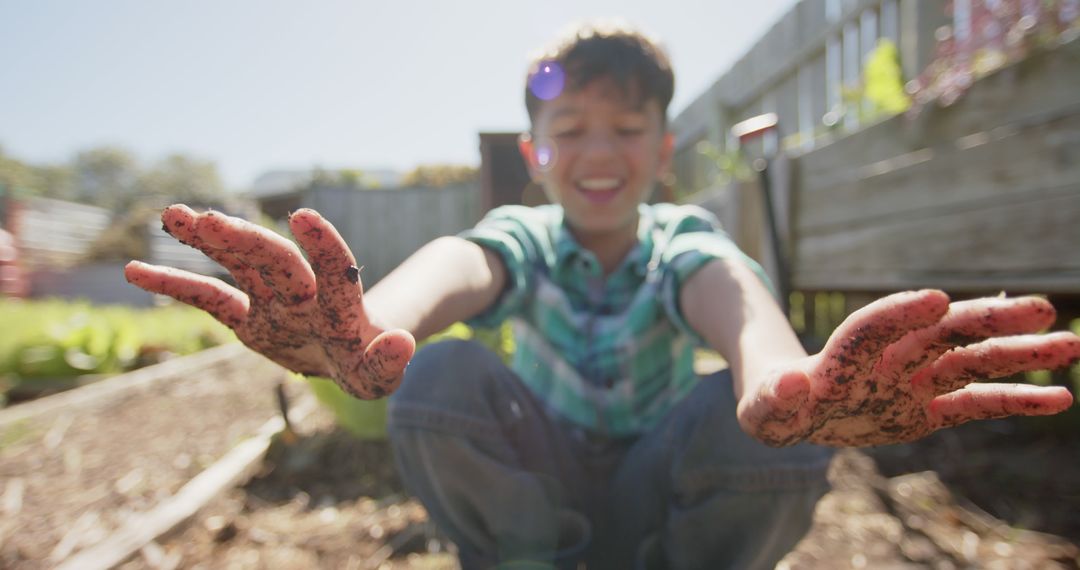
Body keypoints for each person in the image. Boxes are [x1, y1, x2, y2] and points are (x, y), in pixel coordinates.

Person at [125, 22, 1080, 570]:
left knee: (783, 419)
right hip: (537, 497)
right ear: (536, 154)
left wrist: (785, 380)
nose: (597, 152)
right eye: (570, 128)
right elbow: (462, 263)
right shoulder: (528, 237)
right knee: (441, 377)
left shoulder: (680, 242)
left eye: (626, 128)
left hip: (662, 496)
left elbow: (734, 304)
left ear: (662, 153)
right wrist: (379, 327)